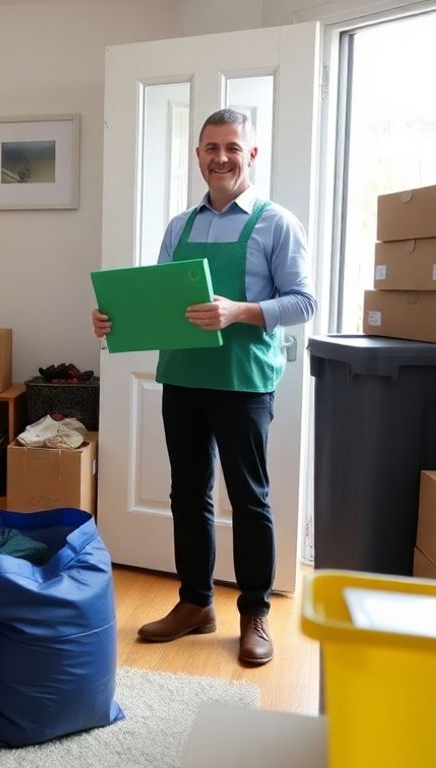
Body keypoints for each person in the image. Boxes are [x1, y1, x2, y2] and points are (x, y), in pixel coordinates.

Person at [91, 109, 316, 666]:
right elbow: (160, 299)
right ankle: (195, 604)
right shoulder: (180, 226)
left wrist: (238, 310)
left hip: (243, 383)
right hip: (184, 378)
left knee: (249, 499)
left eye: (233, 147)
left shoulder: (276, 222)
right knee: (187, 495)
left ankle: (255, 613)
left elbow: (304, 301)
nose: (221, 157)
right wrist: (114, 319)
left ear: (252, 155)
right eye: (211, 147)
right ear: (198, 156)